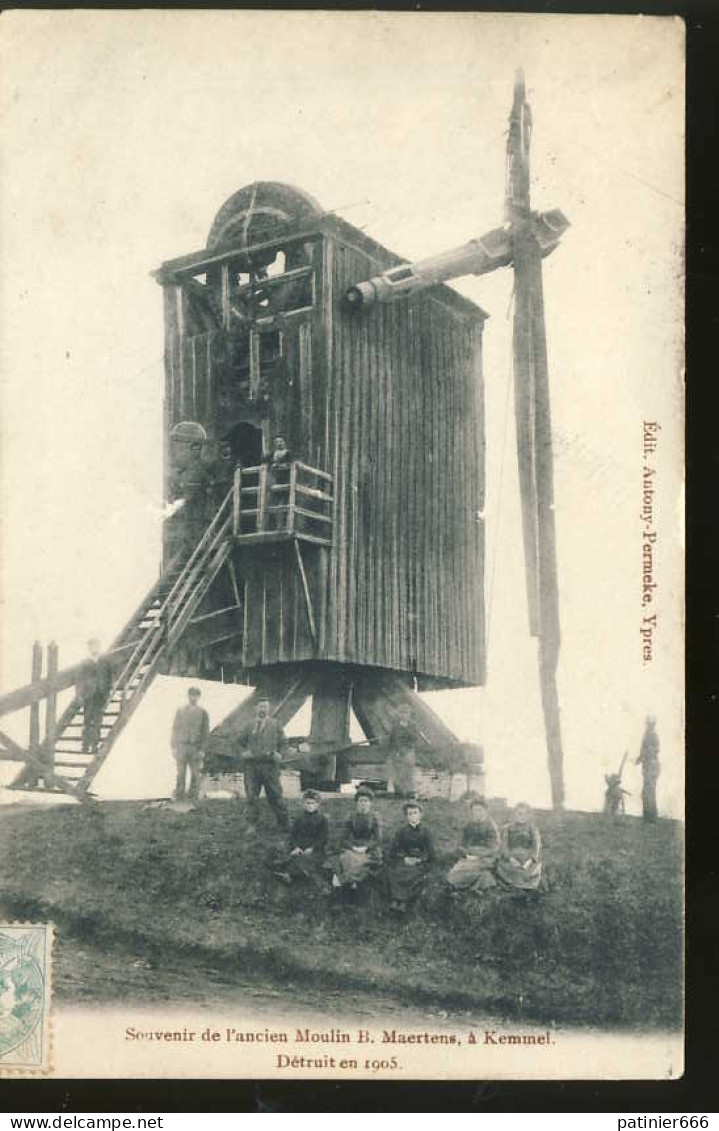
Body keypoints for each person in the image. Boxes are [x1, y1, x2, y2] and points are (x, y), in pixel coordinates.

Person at [235, 698, 289, 829]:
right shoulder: (249, 725)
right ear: (256, 708)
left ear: (269, 709)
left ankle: (283, 823)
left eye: (265, 706)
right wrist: (243, 753)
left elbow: (284, 743)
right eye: (260, 707)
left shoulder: (275, 724)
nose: (263, 709)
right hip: (252, 767)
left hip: (270, 766)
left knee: (275, 795)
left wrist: (280, 754)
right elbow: (238, 742)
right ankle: (251, 825)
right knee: (252, 797)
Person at [386, 800, 435, 913]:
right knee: (398, 871)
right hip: (405, 860)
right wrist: (404, 858)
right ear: (406, 816)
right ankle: (395, 900)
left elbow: (430, 851)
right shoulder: (401, 832)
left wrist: (420, 859)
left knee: (413, 874)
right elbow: (395, 849)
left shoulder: (426, 832)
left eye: (415, 812)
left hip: (419, 862)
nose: (413, 816)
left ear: (420, 814)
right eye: (410, 813)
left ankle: (403, 902)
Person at [331, 785, 382, 893]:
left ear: (370, 803)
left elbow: (378, 839)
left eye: (366, 801)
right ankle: (352, 882)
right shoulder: (351, 817)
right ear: (357, 803)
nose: (363, 804)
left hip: (368, 847)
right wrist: (353, 847)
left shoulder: (374, 818)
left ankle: (345, 880)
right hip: (354, 845)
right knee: (348, 858)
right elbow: (343, 838)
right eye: (360, 801)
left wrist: (366, 848)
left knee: (365, 862)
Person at [273, 789, 329, 886]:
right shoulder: (299, 818)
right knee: (291, 855)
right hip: (299, 846)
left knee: (306, 860)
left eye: (313, 803)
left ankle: (291, 875)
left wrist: (312, 848)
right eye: (308, 803)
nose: (310, 805)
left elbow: (323, 838)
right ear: (304, 804)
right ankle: (290, 872)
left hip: (315, 849)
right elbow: (293, 835)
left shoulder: (322, 819)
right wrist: (296, 847)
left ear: (318, 804)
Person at [447, 794, 500, 893]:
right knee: (453, 874)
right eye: (475, 810)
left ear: (485, 811)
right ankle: (485, 879)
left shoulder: (491, 826)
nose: (477, 813)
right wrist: (466, 853)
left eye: (480, 810)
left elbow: (494, 847)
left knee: (458, 874)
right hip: (469, 856)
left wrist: (478, 855)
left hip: (486, 858)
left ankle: (475, 885)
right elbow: (462, 843)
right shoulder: (470, 824)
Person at [171, 686, 210, 801]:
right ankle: (179, 795)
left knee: (195, 773)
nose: (193, 697)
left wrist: (202, 749)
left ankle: (193, 796)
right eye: (191, 695)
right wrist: (174, 747)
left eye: (195, 695)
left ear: (198, 697)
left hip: (195, 747)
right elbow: (175, 729)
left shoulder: (203, 712)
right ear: (188, 696)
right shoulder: (180, 711)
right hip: (182, 746)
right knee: (180, 773)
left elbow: (205, 732)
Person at [76, 638, 112, 754]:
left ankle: (94, 745)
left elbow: (109, 678)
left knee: (97, 721)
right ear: (89, 648)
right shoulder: (84, 663)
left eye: (95, 646)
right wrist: (80, 695)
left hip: (100, 695)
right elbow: (79, 680)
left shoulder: (104, 661)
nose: (93, 648)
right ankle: (85, 744)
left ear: (99, 647)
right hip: (88, 696)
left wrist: (107, 693)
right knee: (87, 721)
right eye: (91, 646)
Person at [495, 803, 543, 892]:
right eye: (519, 813)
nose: (522, 816)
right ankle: (513, 886)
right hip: (511, 858)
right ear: (514, 815)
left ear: (528, 816)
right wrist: (510, 859)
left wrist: (529, 861)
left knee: (529, 871)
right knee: (504, 867)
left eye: (525, 814)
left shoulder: (532, 829)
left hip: (527, 858)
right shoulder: (507, 828)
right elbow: (504, 846)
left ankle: (525, 887)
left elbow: (535, 847)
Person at [387, 704, 421, 798]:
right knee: (398, 772)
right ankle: (399, 792)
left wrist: (406, 729)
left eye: (406, 713)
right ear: (398, 714)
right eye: (401, 713)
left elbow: (415, 738)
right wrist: (393, 752)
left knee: (408, 772)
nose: (403, 715)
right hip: (397, 751)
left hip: (408, 751)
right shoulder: (395, 726)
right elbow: (392, 739)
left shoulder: (413, 725)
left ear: (409, 714)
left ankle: (410, 792)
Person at [636, 715, 660, 821]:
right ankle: (648, 815)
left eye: (650, 724)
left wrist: (642, 757)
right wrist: (640, 758)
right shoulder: (648, 735)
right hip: (649, 765)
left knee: (649, 790)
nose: (649, 726)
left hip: (651, 765)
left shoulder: (652, 735)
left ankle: (650, 816)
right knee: (647, 790)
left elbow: (653, 750)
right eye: (648, 724)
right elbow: (645, 751)